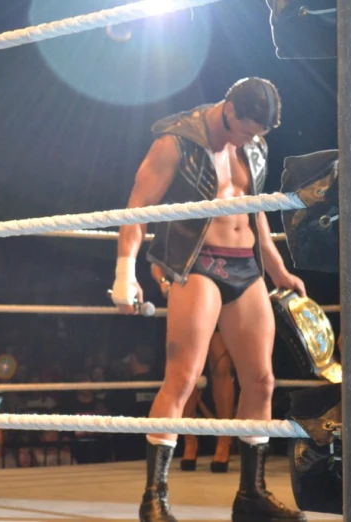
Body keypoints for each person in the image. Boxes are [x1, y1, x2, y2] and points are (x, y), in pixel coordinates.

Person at [111, 77, 307, 522]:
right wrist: (125, 272)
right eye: (247, 129)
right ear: (229, 110)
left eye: (260, 133)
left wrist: (278, 269)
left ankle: (251, 497)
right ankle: (154, 499)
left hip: (246, 267)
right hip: (198, 265)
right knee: (182, 380)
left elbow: (255, 213)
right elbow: (135, 208)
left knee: (261, 382)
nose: (251, 140)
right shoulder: (176, 141)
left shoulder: (253, 144)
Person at [151, 264, 235, 473]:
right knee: (186, 375)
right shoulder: (182, 232)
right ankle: (189, 440)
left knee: (222, 369)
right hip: (189, 295)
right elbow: (157, 259)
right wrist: (163, 282)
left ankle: (224, 441)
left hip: (222, 291)